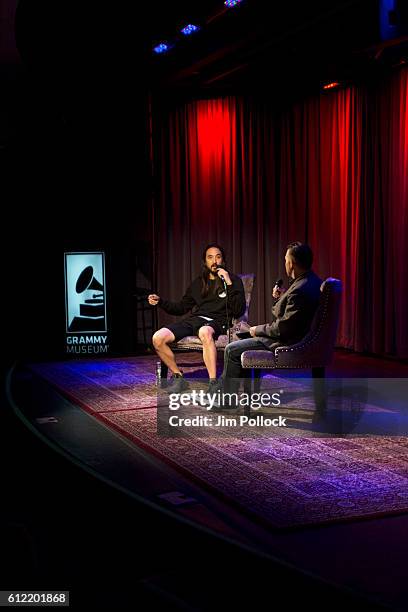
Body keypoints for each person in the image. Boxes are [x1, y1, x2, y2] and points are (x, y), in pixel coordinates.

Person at [215, 242, 322, 407]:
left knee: (231, 349)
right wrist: (281, 298)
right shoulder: (311, 281)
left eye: (286, 259)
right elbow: (290, 316)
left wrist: (256, 330)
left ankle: (227, 400)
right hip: (298, 336)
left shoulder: (300, 289)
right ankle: (229, 395)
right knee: (239, 341)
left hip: (287, 342)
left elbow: (283, 328)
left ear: (291, 263)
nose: (285, 263)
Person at [148, 244, 246, 393]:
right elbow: (181, 308)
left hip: (218, 321)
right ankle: (178, 377)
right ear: (205, 261)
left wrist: (228, 282)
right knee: (158, 337)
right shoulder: (198, 283)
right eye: (210, 257)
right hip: (195, 319)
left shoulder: (233, 281)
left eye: (218, 257)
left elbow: (238, 310)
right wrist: (161, 301)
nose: (214, 261)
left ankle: (213, 383)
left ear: (223, 261)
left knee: (205, 331)